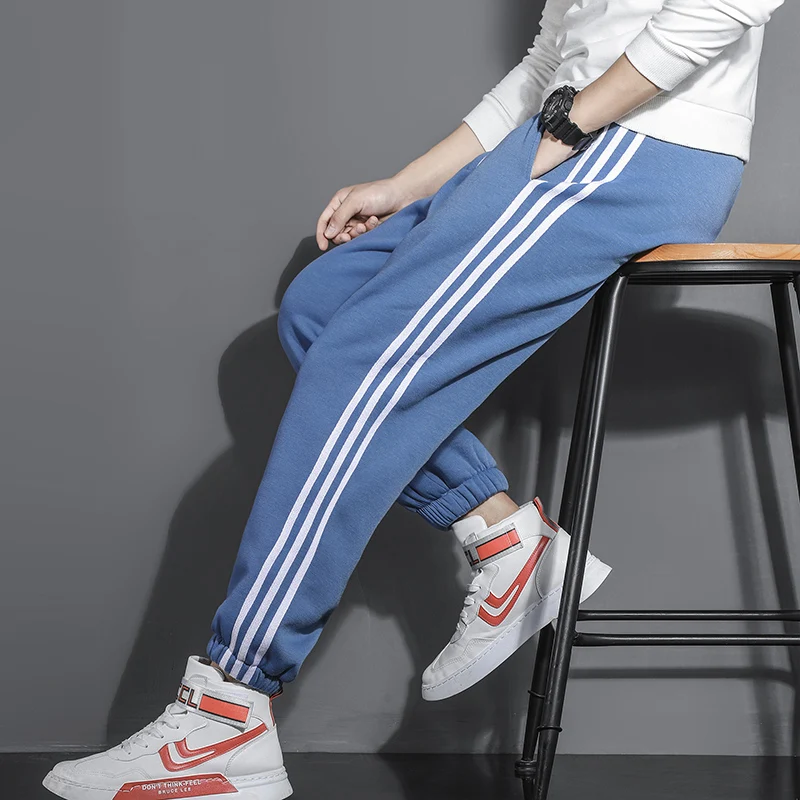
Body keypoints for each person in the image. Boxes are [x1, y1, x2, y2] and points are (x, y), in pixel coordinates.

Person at [43, 1, 785, 798]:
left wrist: (575, 123)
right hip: (571, 131)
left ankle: (229, 709)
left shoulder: (603, 124)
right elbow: (549, 60)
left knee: (359, 359)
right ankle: (506, 539)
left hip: (639, 141)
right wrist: (408, 185)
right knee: (319, 307)